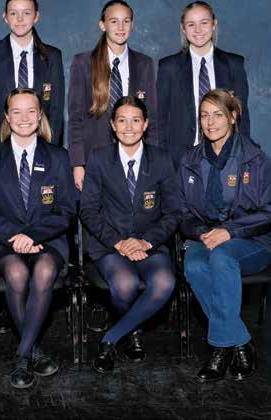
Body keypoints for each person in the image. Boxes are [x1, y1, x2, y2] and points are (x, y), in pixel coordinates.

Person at [178, 89, 271, 382]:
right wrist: (203, 232)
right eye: (204, 116)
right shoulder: (189, 160)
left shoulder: (256, 160)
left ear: (233, 117)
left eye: (218, 115)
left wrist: (230, 231)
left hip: (252, 240)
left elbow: (269, 212)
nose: (210, 122)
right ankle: (240, 341)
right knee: (194, 265)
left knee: (222, 257)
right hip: (205, 237)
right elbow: (180, 211)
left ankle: (220, 349)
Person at [0, 88, 75, 389]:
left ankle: (22, 356)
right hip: (3, 242)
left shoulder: (58, 157)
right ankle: (33, 351)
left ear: (40, 115)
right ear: (7, 117)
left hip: (49, 240)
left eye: (31, 110)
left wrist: (31, 236)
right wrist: (14, 237)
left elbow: (66, 211)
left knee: (44, 269)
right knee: (17, 272)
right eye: (16, 111)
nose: (24, 118)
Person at [80, 96, 181, 374]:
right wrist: (119, 242)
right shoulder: (99, 158)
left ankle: (111, 338)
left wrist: (146, 241)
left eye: (136, 120)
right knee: (125, 284)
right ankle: (134, 333)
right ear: (112, 125)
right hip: (110, 245)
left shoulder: (161, 159)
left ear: (146, 124)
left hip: (150, 244)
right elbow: (88, 210)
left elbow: (174, 212)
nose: (129, 127)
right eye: (122, 120)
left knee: (164, 281)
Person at [68, 0, 157, 192]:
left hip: (135, 157)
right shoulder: (83, 63)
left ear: (132, 25)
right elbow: (76, 118)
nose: (121, 27)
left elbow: (152, 116)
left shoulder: (144, 64)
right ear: (102, 25)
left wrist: (153, 161)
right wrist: (78, 163)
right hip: (94, 158)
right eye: (114, 21)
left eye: (126, 21)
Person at [0, 0, 65, 154]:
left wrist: (50, 153)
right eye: (13, 13)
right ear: (5, 17)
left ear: (36, 16)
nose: (20, 19)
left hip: (41, 147)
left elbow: (56, 110)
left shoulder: (52, 56)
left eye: (26, 13)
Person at [157, 0, 250, 166]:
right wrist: (164, 160)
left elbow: (242, 117)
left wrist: (243, 157)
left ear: (214, 24)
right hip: (180, 161)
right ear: (183, 29)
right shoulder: (169, 67)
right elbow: (160, 119)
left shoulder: (234, 65)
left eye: (204, 23)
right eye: (191, 24)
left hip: (226, 158)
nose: (198, 30)